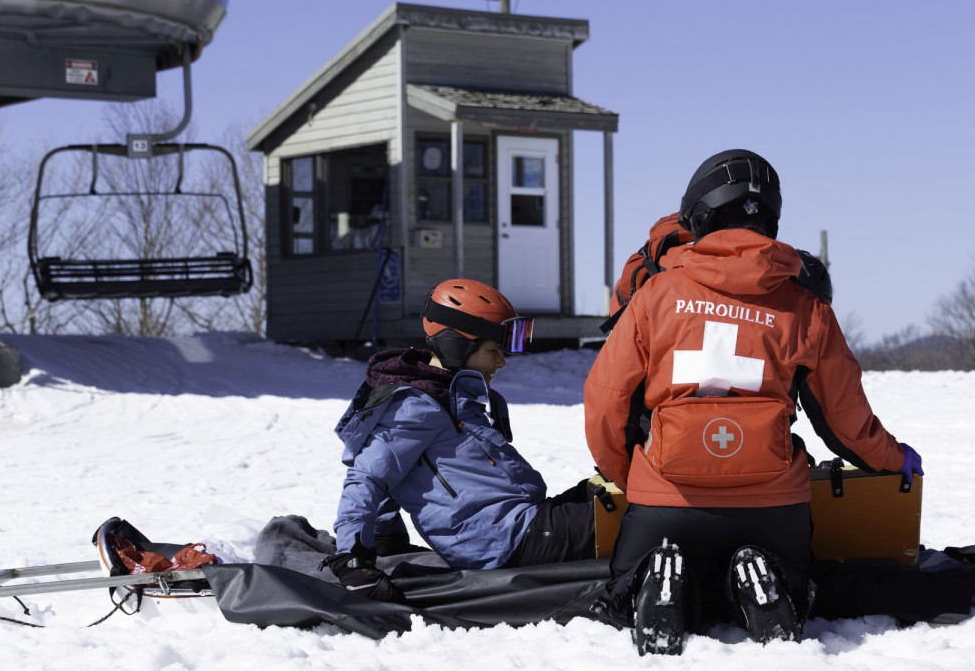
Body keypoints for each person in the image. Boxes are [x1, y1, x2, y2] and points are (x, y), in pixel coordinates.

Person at [582, 149, 923, 654]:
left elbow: (604, 399)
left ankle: (654, 583)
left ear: (698, 213)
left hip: (667, 503)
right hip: (774, 509)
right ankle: (770, 578)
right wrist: (896, 461)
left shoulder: (655, 295)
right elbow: (844, 419)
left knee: (627, 574)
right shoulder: (806, 306)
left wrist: (631, 477)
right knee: (793, 569)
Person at [326, 279, 597, 603]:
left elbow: (391, 470)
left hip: (521, 524)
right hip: (506, 543)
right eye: (493, 350)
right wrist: (353, 560)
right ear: (457, 345)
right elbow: (368, 476)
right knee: (636, 512)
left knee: (612, 490)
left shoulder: (446, 394)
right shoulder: (416, 405)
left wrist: (386, 540)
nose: (502, 361)